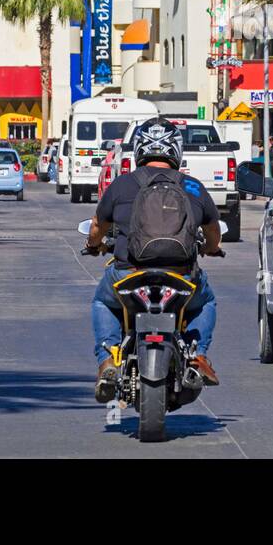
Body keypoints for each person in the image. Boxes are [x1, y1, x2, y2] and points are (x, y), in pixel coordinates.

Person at [85, 117, 222, 402]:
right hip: (181, 277)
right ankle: (197, 356)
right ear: (176, 151)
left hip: (129, 274)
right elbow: (212, 230)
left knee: (102, 300)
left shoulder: (122, 185)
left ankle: (108, 359)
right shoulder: (193, 187)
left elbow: (98, 225)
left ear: (139, 150)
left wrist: (93, 244)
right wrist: (211, 248)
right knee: (206, 300)